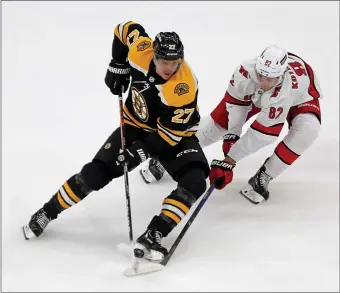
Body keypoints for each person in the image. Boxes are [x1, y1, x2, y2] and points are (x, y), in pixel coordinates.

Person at [23, 21, 210, 262]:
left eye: (175, 63)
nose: (170, 68)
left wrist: (139, 152)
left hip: (174, 134)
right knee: (94, 174)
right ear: (153, 55)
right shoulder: (141, 49)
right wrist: (118, 63)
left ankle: (154, 234)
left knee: (195, 180)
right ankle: (46, 212)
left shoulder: (183, 87)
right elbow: (124, 29)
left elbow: (169, 135)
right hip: (134, 126)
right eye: (165, 62)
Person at [141, 45, 322, 204]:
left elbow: (261, 135)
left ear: (281, 75)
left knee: (308, 130)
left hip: (300, 97)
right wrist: (232, 135)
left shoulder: (286, 91)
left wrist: (229, 160)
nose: (264, 82)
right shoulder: (245, 70)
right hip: (263, 94)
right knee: (215, 126)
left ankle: (264, 176)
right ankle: (171, 155)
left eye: (270, 78)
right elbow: (234, 108)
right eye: (261, 75)